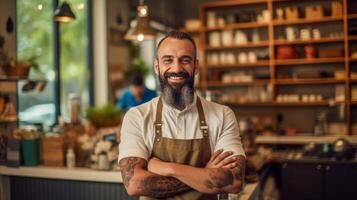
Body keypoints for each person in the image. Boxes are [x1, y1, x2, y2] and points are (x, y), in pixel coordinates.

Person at [118, 30, 245, 200]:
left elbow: (234, 181)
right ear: (157, 67)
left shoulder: (222, 115)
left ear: (196, 66)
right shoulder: (137, 117)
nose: (176, 68)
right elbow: (134, 184)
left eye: (185, 60)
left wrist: (168, 168)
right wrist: (204, 174)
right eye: (168, 60)